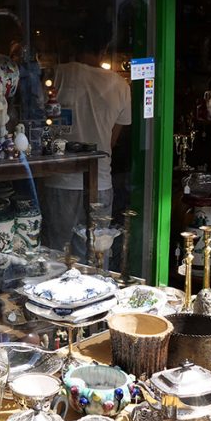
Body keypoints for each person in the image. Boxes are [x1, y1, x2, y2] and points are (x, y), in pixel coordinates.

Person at [39, 21, 131, 253]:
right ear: (105, 48)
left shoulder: (56, 75)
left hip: (60, 180)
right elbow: (111, 141)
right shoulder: (120, 85)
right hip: (100, 180)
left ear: (72, 46)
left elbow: (39, 124)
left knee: (58, 254)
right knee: (96, 254)